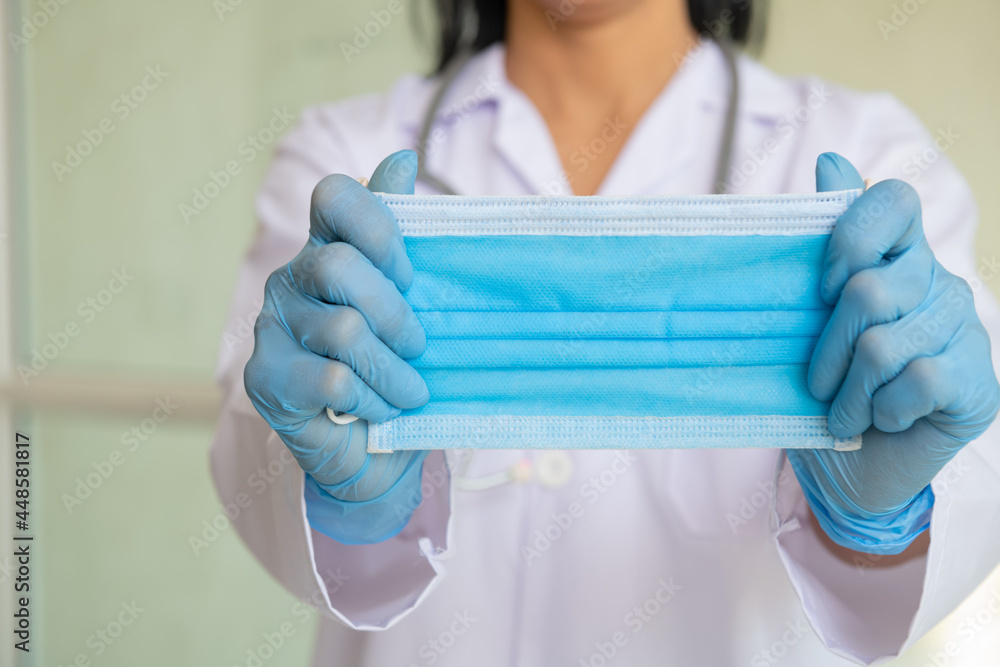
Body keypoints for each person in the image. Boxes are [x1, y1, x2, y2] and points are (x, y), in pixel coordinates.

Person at [210, 0, 1000, 663]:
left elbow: (979, 475)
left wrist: (878, 518)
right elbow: (255, 458)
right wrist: (347, 499)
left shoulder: (875, 156)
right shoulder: (340, 155)